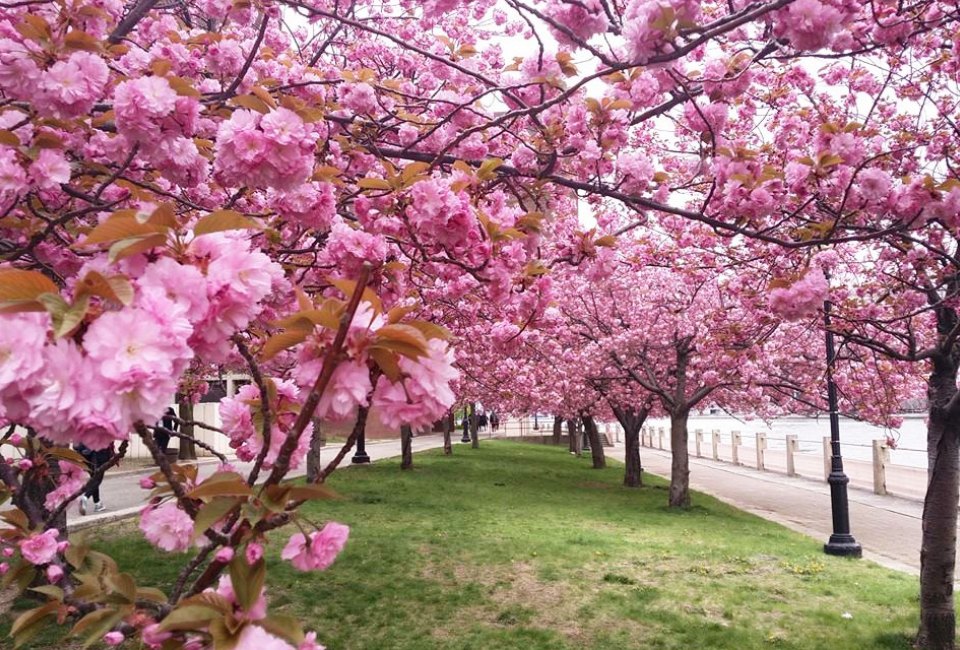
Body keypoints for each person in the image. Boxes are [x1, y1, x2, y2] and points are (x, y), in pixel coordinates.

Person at [75, 442, 114, 515]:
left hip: (84, 452)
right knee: (97, 478)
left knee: (94, 477)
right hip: (99, 451)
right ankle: (85, 497)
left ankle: (97, 503)